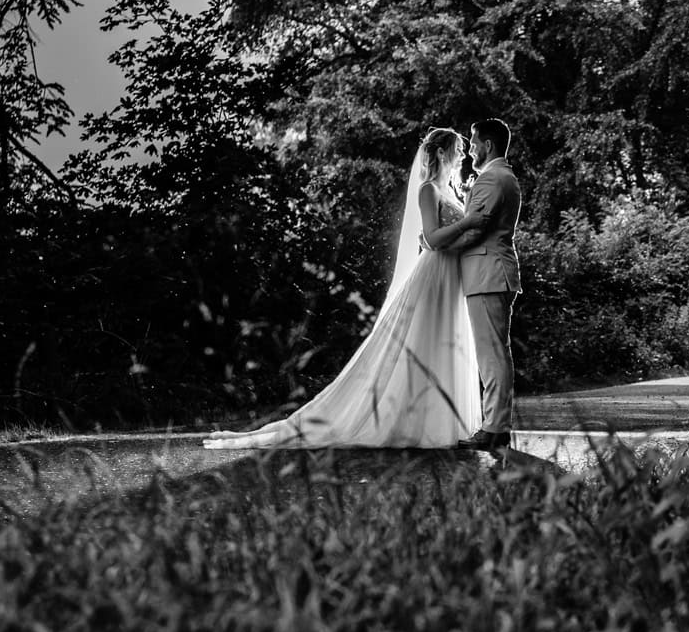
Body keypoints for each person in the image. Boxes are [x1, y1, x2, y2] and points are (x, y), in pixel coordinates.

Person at [201, 127, 480, 449]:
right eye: (458, 149)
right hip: (435, 277)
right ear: (443, 152)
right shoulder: (429, 190)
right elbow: (431, 238)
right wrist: (467, 227)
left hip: (452, 277)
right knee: (424, 345)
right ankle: (412, 422)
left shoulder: (452, 193)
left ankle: (441, 420)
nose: (462, 155)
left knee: (445, 343)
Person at [427, 118, 522, 452]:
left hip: (487, 273)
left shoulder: (492, 179)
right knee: (495, 353)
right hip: (491, 272)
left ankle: (495, 428)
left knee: (492, 355)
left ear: (489, 146)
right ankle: (496, 427)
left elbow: (474, 231)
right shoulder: (502, 177)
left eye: (475, 143)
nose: (471, 152)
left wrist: (435, 248)